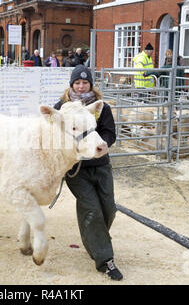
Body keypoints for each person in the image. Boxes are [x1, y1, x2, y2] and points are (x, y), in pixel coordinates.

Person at [53, 65, 123, 281]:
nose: (81, 87)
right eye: (77, 83)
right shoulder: (62, 108)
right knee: (91, 210)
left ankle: (94, 242)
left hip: (101, 165)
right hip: (77, 170)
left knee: (108, 209)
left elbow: (109, 132)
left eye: (85, 83)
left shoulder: (101, 108)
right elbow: (53, 133)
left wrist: (104, 143)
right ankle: (105, 261)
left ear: (91, 84)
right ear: (71, 85)